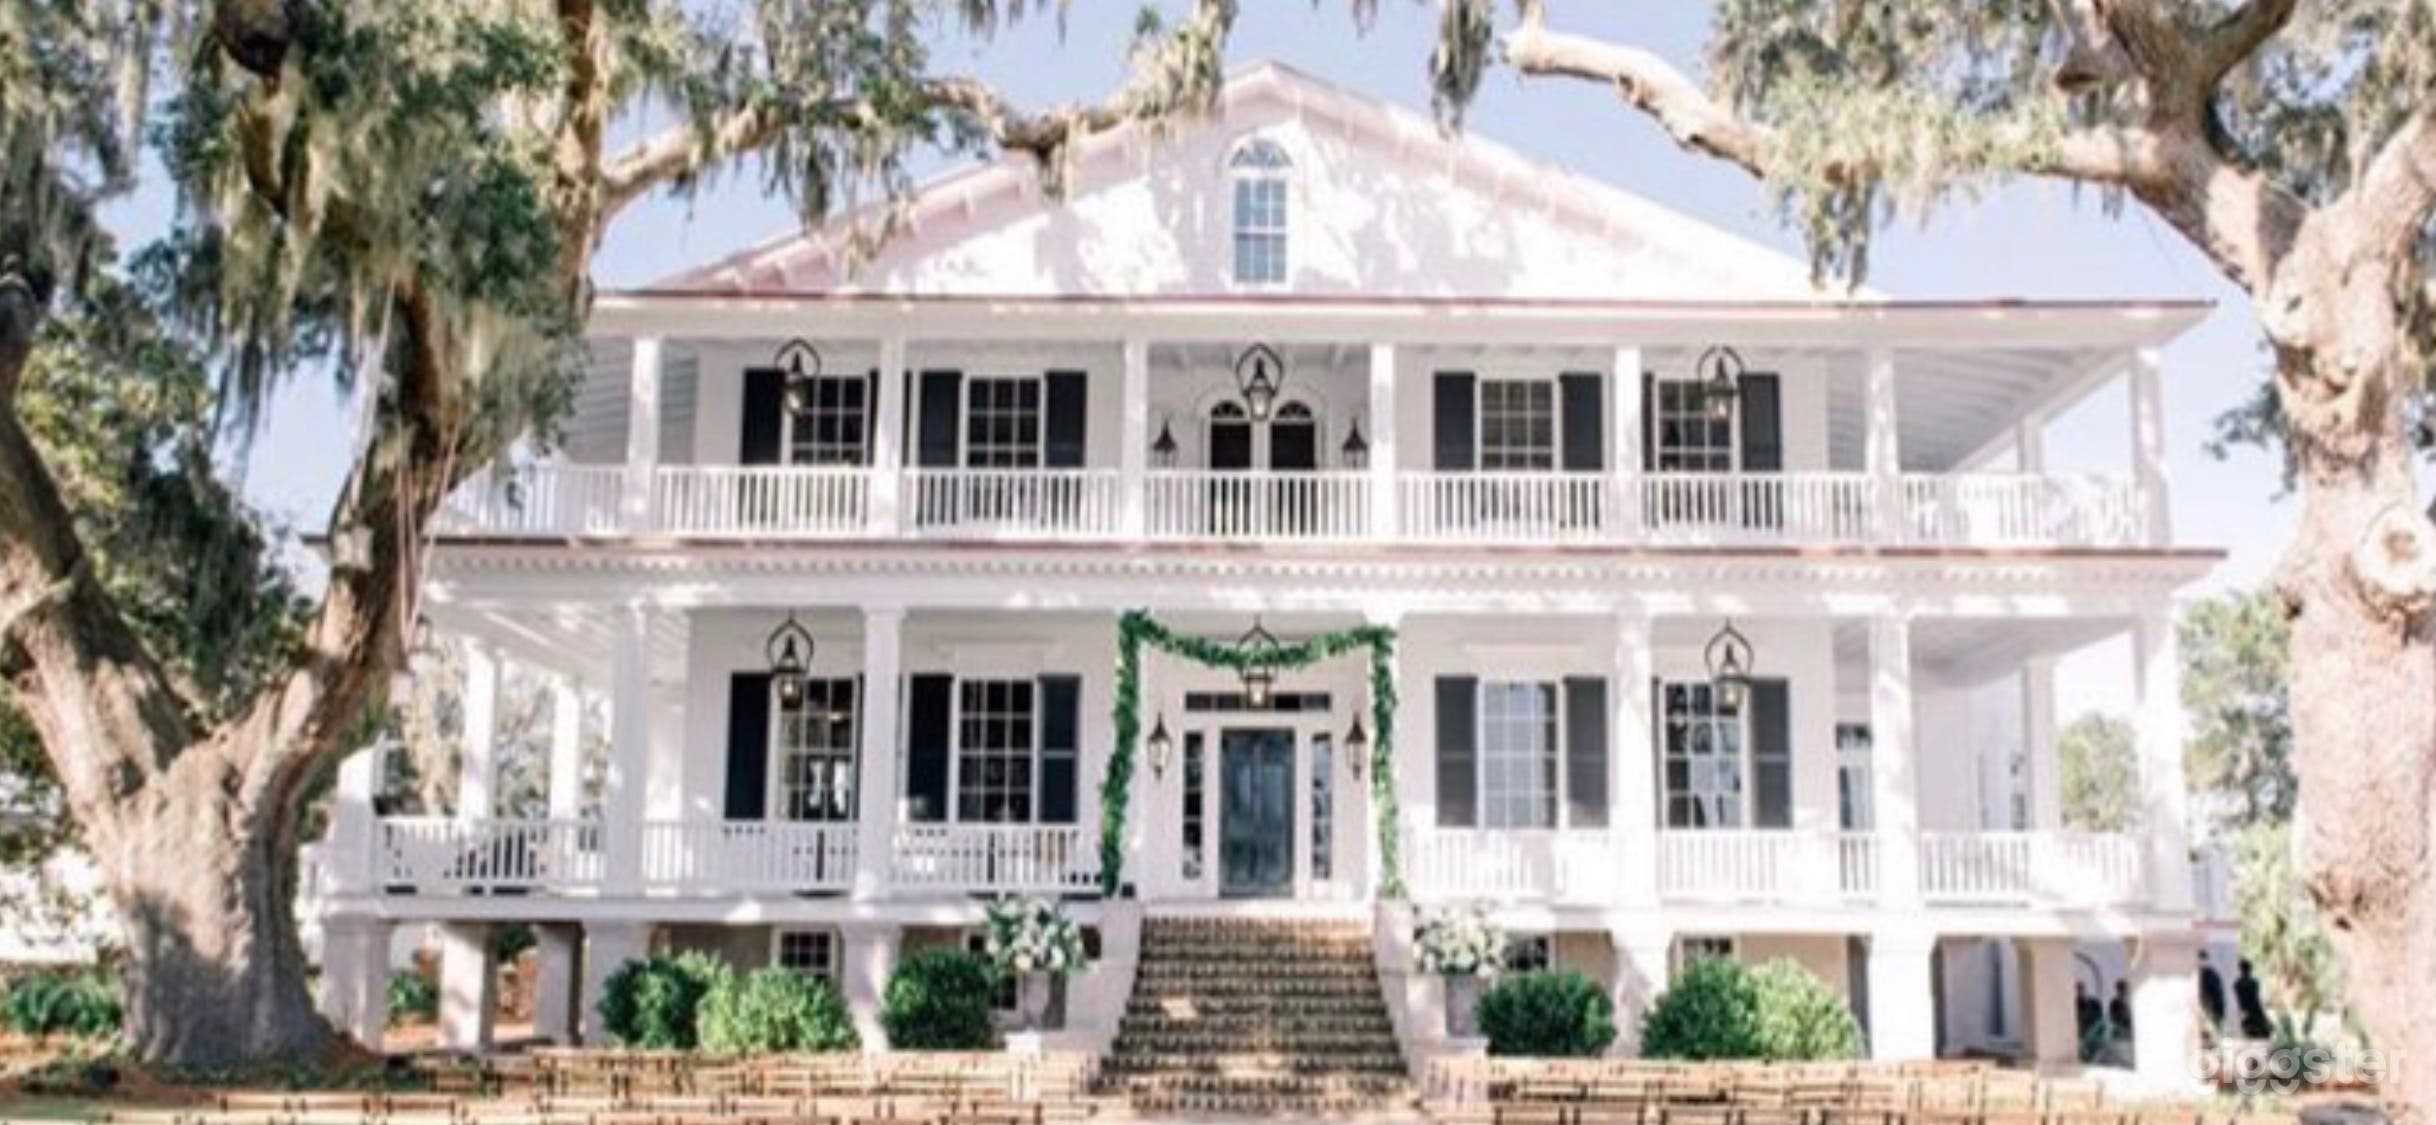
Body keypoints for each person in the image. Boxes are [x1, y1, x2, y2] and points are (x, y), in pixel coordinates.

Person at [2234, 959, 2272, 1039]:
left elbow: (2239, 999)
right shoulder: (2254, 982)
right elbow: (2255, 998)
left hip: (2244, 1010)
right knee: (2262, 1034)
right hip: (2254, 1010)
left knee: (2250, 1035)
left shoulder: (2237, 983)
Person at [2198, 951, 2227, 1029]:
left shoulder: (2205, 974)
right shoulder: (2213, 973)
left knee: (2212, 1024)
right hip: (2215, 1005)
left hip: (2212, 1005)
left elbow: (2205, 992)